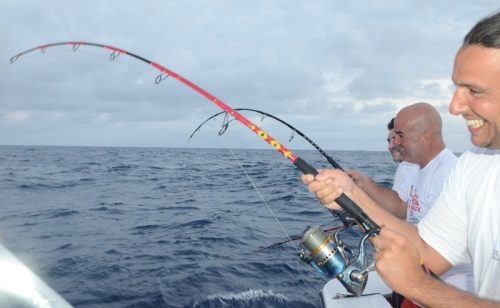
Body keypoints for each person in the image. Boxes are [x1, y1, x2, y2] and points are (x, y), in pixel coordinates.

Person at [302, 11, 500, 306]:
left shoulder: (455, 169)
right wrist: (352, 194)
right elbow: (427, 250)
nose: (455, 106)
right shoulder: (476, 166)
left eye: (473, 90)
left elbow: (423, 267)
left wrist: (419, 287)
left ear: (425, 138)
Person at [348, 117, 419, 219]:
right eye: (389, 141)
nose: (390, 147)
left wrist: (364, 184)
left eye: (394, 140)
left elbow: (401, 211)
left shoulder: (408, 166)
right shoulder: (408, 165)